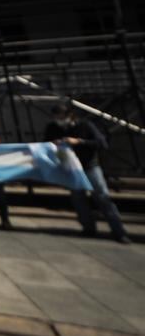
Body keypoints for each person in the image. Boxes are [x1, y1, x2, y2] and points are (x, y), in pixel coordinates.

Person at [44, 103, 129, 243]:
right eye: (55, 117)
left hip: (90, 166)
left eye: (60, 117)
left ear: (69, 116)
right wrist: (55, 144)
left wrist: (79, 142)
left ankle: (119, 231)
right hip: (71, 168)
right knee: (78, 199)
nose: (58, 120)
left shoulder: (85, 125)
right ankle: (88, 228)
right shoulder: (53, 128)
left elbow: (101, 143)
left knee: (102, 198)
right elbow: (46, 144)